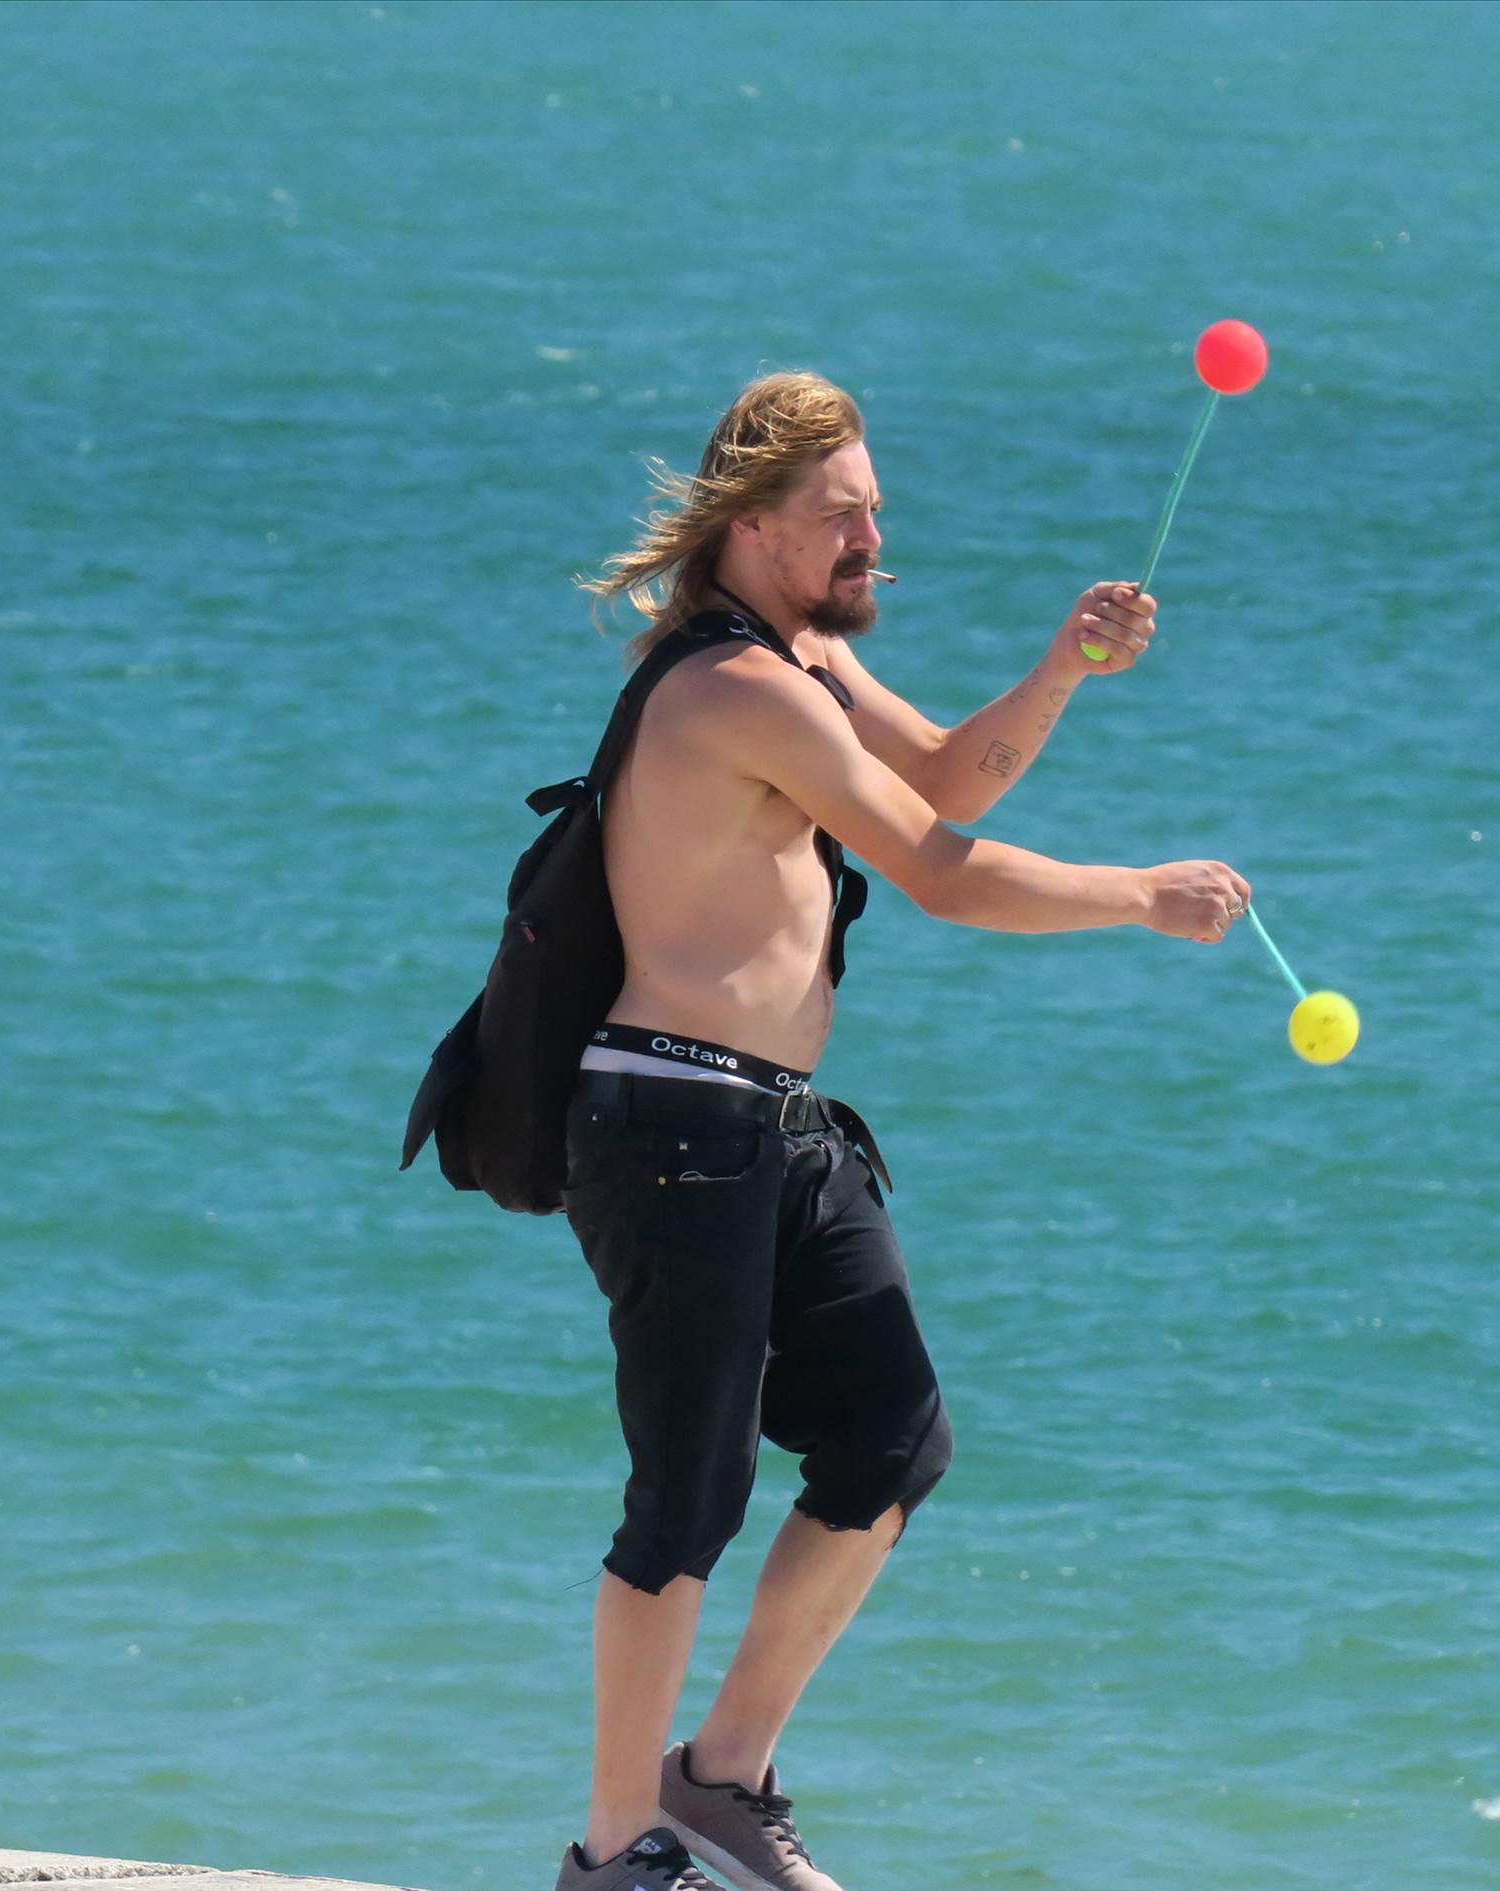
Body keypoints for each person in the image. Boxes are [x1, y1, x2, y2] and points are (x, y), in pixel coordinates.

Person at [548, 372, 1251, 1891]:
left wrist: (1062, 667)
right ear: (752, 526)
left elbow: (937, 773)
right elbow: (943, 868)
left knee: (889, 1442)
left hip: (777, 1122)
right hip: (672, 1122)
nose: (874, 535)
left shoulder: (804, 662)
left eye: (874, 507)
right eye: (841, 514)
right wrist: (1140, 895)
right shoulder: (731, 686)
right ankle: (612, 1851)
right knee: (687, 1500)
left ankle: (721, 1776)